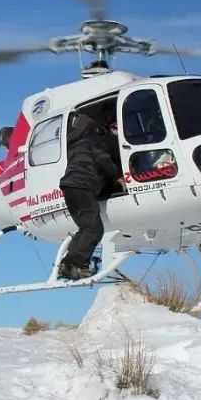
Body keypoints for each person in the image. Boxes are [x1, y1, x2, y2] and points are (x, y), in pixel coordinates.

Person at [57, 111, 125, 280]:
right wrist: (118, 177)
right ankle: (78, 266)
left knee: (85, 228)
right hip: (82, 186)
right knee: (95, 229)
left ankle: (67, 265)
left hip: (69, 186)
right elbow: (104, 159)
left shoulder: (77, 142)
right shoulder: (94, 140)